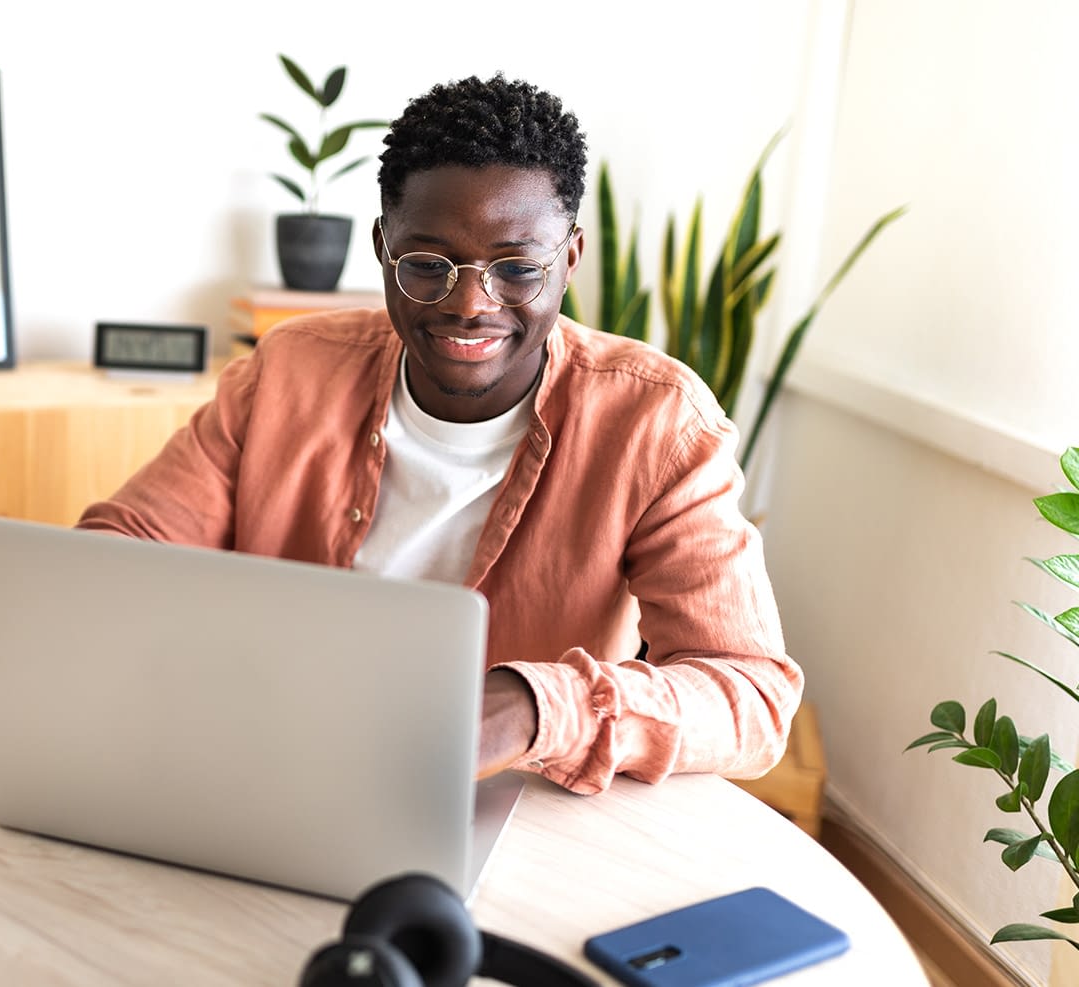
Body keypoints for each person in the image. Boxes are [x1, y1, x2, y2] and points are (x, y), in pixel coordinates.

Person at [78, 74, 802, 795]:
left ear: (570, 257)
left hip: (501, 804)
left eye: (517, 268)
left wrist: (530, 707)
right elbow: (125, 548)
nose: (469, 304)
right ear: (382, 248)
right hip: (266, 763)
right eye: (427, 265)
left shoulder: (656, 424)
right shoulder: (289, 373)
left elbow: (752, 696)